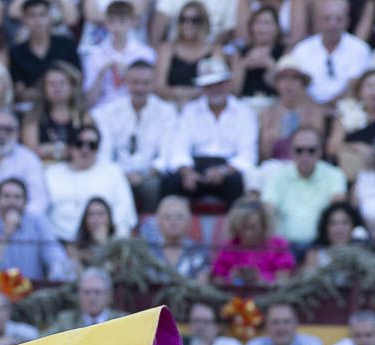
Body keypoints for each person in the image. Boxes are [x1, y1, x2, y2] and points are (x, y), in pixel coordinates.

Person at [163, 56, 257, 206]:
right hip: (195, 166)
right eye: (208, 85)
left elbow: (247, 155)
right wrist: (187, 172)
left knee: (237, 183)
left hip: (228, 168)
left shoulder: (244, 112)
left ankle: (233, 228)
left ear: (228, 84)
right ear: (202, 88)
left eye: (219, 84)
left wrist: (223, 171)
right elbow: (178, 148)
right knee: (171, 182)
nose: (215, 89)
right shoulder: (190, 111)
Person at [92, 59, 173, 212]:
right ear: (125, 83)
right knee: (109, 182)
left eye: (145, 83)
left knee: (152, 186)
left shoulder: (167, 112)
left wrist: (146, 174)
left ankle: (151, 230)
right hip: (118, 172)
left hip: (150, 174)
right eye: (135, 82)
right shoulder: (108, 113)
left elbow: (165, 155)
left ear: (153, 83)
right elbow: (105, 153)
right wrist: (122, 174)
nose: (140, 88)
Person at [45, 125, 136, 242]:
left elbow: (125, 213)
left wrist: (115, 246)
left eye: (92, 145)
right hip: (58, 243)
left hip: (104, 244)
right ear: (70, 147)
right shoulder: (50, 174)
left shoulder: (113, 172)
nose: (85, 150)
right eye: (79, 144)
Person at [0, 176, 73, 280]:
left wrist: (55, 275)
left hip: (34, 289)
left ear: (25, 202)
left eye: (17, 197)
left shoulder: (38, 223)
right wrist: (6, 233)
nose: (12, 202)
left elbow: (55, 256)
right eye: (6, 196)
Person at [261, 126, 347, 247]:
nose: (305, 156)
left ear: (320, 152)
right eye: (299, 150)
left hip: (321, 246)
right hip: (284, 247)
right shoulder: (277, 176)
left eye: (311, 150)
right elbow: (268, 210)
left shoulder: (335, 175)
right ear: (290, 151)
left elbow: (337, 209)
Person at [325, 69, 375, 181]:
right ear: (359, 91)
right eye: (369, 86)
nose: (374, 91)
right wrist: (357, 147)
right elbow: (332, 148)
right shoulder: (345, 113)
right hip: (349, 175)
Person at [290, 0, 370, 104]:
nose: (333, 24)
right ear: (317, 22)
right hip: (308, 108)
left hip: (348, 106)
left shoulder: (360, 49)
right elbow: (296, 83)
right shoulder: (302, 49)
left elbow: (355, 85)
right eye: (327, 19)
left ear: (347, 21)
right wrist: (315, 108)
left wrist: (330, 105)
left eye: (339, 19)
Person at [82, 0, 155, 109]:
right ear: (105, 23)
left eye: (122, 21)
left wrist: (129, 74)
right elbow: (89, 100)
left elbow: (151, 93)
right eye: (111, 21)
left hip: (135, 109)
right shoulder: (94, 55)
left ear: (133, 22)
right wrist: (101, 74)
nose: (116, 27)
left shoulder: (146, 54)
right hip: (103, 110)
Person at [257, 55, 325, 163]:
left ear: (302, 83)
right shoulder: (267, 113)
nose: (289, 83)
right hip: (275, 165)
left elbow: (317, 148)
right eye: (284, 78)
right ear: (277, 83)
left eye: (294, 78)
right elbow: (264, 153)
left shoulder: (315, 112)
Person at [211, 198, 295, 285]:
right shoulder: (229, 246)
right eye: (244, 227)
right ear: (235, 226)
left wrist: (261, 280)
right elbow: (218, 280)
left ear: (263, 225)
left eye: (253, 227)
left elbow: (283, 282)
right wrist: (231, 278)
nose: (248, 233)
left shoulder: (278, 245)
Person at [9, 0, 80, 100]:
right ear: (24, 20)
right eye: (32, 16)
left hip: (66, 103)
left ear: (50, 17)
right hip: (30, 106)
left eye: (42, 15)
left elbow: (77, 78)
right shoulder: (16, 52)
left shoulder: (67, 45)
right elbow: (19, 91)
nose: (38, 21)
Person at [23, 61, 89, 166]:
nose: (57, 88)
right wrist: (67, 150)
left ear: (72, 87)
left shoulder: (84, 117)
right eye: (51, 84)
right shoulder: (33, 117)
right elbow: (31, 153)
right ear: (44, 88)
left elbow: (88, 149)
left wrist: (49, 149)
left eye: (62, 83)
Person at [154, 0, 215, 106]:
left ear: (204, 22)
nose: (188, 24)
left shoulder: (214, 50)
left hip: (204, 108)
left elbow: (217, 86)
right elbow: (159, 87)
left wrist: (180, 92)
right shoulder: (167, 49)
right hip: (171, 106)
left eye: (194, 20)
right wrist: (194, 92)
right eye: (183, 19)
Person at [243, 302, 322, 345]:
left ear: (296, 324)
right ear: (266, 326)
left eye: (286, 322)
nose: (281, 328)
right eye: (275, 322)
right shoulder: (257, 343)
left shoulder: (312, 342)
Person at [146, 194, 210, 279]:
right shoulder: (147, 251)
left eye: (179, 217)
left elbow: (202, 287)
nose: (173, 221)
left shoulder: (198, 251)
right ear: (158, 222)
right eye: (167, 217)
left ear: (189, 222)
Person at [46, 266, 127, 332]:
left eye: (97, 292)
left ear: (108, 295)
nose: (91, 298)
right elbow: (43, 341)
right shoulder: (66, 321)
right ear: (79, 295)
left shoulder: (122, 321)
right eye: (86, 292)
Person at [230, 4, 285, 101]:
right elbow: (233, 92)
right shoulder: (240, 53)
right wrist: (243, 66)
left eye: (267, 23)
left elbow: (286, 91)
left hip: (274, 104)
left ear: (277, 28)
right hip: (245, 104)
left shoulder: (284, 52)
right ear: (251, 27)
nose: (262, 28)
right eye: (258, 23)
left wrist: (271, 66)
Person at [301, 200, 369, 271]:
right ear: (325, 228)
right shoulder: (314, 255)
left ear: (354, 227)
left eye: (345, 223)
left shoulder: (363, 253)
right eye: (333, 223)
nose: (339, 228)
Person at [175, 301, 245, 345]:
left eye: (206, 322)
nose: (200, 327)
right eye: (195, 321)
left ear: (217, 326)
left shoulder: (229, 344)